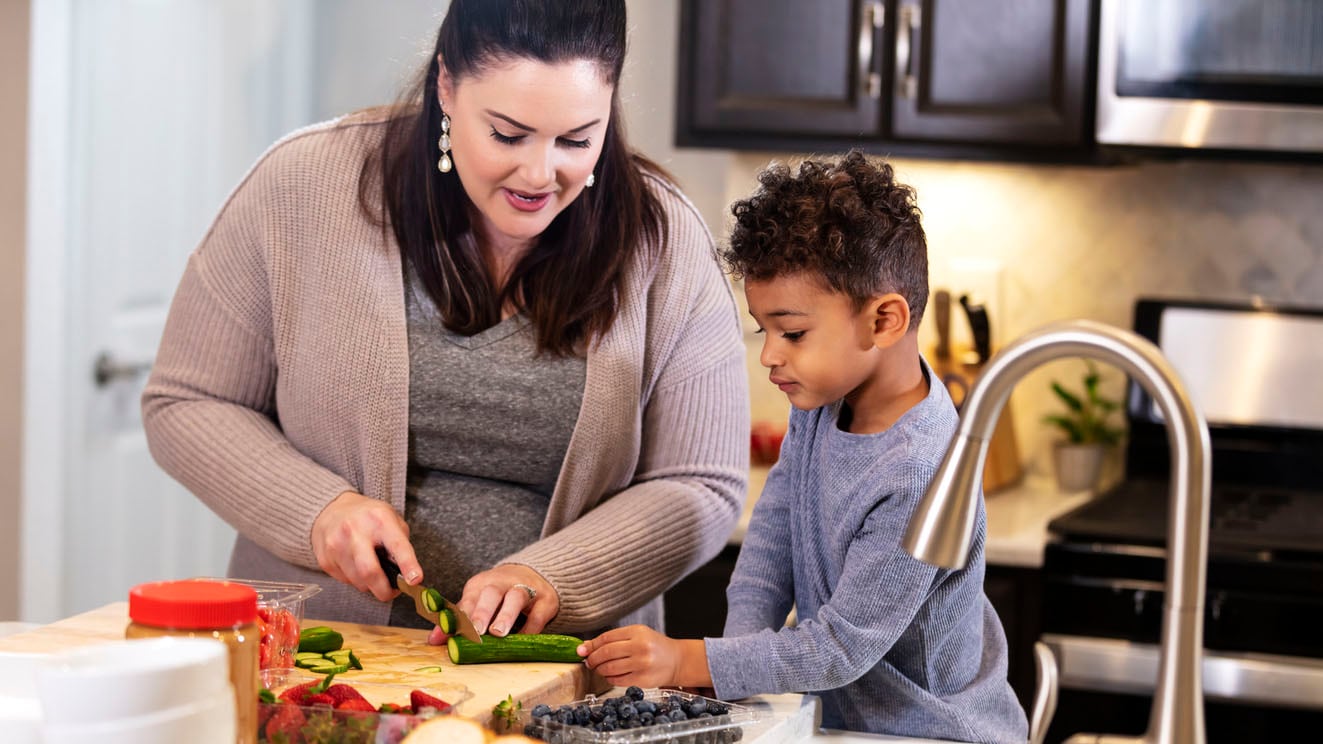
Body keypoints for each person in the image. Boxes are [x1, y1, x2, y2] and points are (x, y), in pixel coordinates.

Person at [141, 0, 748, 642]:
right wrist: (318, 510)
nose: (540, 174)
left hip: (568, 680)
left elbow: (701, 483)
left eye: (576, 139)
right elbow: (187, 400)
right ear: (447, 86)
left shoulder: (666, 239)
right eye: (508, 135)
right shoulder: (301, 186)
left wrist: (553, 578)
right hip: (325, 670)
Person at [578, 151, 1029, 742]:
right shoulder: (821, 405)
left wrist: (693, 661)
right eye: (764, 329)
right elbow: (771, 542)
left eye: (791, 332)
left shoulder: (921, 470)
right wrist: (731, 670)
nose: (769, 354)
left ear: (884, 321)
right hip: (843, 725)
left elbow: (839, 648)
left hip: (934, 733)